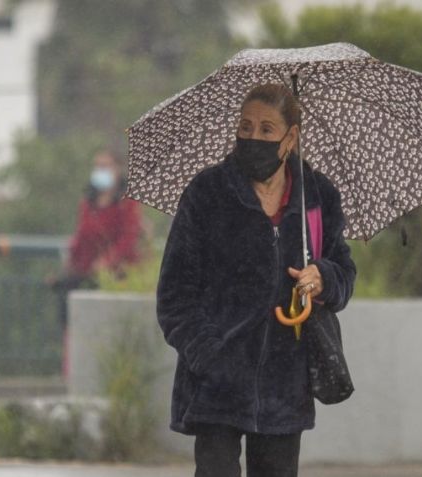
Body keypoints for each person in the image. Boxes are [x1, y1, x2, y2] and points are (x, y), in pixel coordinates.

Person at [156, 84, 357, 477]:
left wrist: (324, 277)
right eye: (245, 127)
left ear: (291, 138)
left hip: (286, 386)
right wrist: (211, 356)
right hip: (216, 385)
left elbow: (344, 273)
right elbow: (174, 297)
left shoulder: (317, 197)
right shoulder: (207, 193)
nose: (253, 137)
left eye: (267, 130)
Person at [50, 149, 142, 328]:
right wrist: (69, 264)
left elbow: (129, 238)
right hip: (87, 273)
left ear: (117, 170)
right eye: (97, 167)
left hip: (117, 276)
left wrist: (107, 261)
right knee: (70, 312)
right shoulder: (88, 203)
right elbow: (81, 236)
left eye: (105, 167)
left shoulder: (127, 203)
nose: (100, 171)